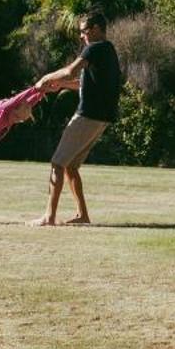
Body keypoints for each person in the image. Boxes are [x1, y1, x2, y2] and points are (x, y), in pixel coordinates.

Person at [32, 12, 123, 226]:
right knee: (71, 166)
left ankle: (49, 217)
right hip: (102, 118)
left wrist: (45, 79)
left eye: (85, 31)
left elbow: (70, 72)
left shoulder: (94, 48)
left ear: (97, 29)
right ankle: (83, 215)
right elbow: (84, 83)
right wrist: (61, 85)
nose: (82, 36)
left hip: (88, 116)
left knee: (57, 163)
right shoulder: (108, 50)